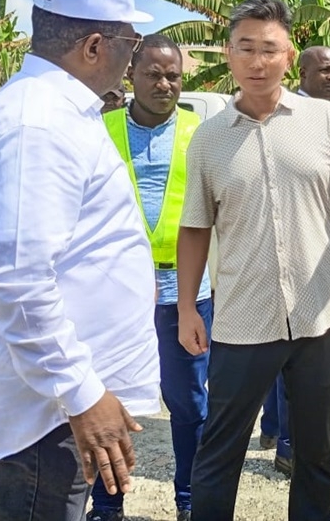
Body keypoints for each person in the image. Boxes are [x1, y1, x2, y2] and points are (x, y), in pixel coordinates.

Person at [0, 0, 160, 521]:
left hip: (60, 398)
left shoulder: (59, 113)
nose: (132, 56)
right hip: (49, 410)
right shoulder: (37, 125)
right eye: (130, 43)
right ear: (95, 46)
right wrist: (81, 393)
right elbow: (19, 280)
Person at [177, 0, 330, 521]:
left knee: (316, 454)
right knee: (220, 452)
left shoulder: (325, 119)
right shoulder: (207, 139)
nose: (257, 62)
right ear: (228, 54)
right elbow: (194, 227)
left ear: (289, 54)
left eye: (269, 49)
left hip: (320, 316)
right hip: (243, 319)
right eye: (246, 48)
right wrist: (188, 306)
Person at [93, 34, 212, 521]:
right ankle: (106, 505)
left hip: (184, 293)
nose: (165, 84)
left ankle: (189, 501)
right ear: (131, 76)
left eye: (173, 76)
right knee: (110, 401)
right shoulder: (101, 129)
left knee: (189, 406)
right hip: (115, 294)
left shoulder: (202, 132)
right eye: (153, 74)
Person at [259, 44, 330, 492]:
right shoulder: (290, 118)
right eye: (324, 69)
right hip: (296, 257)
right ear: (303, 72)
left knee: (298, 354)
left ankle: (279, 433)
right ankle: (292, 451)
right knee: (298, 353)